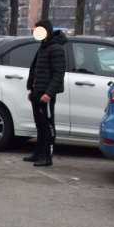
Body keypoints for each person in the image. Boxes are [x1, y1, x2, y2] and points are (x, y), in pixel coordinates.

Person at [25, 20, 67, 167]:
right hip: (37, 92)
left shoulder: (56, 49)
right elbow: (36, 69)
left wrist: (48, 94)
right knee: (39, 124)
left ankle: (47, 156)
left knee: (48, 125)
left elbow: (58, 74)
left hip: (46, 95)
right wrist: (32, 89)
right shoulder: (43, 46)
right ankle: (38, 153)